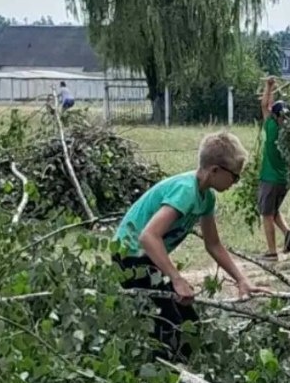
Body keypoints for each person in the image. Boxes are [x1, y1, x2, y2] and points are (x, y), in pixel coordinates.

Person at [112, 131, 269, 361]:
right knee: (170, 326)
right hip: (129, 256)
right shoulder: (186, 191)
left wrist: (241, 279)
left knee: (190, 324)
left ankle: (181, 374)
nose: (235, 183)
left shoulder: (206, 198)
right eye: (235, 177)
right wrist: (177, 279)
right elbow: (148, 236)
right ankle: (164, 379)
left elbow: (213, 244)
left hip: (148, 258)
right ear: (215, 170)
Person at [257, 76, 290, 261]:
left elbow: (265, 105)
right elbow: (269, 106)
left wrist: (268, 85)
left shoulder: (271, 126)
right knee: (274, 210)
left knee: (266, 214)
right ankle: (288, 232)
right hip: (284, 180)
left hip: (269, 179)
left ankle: (272, 252)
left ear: (275, 115)